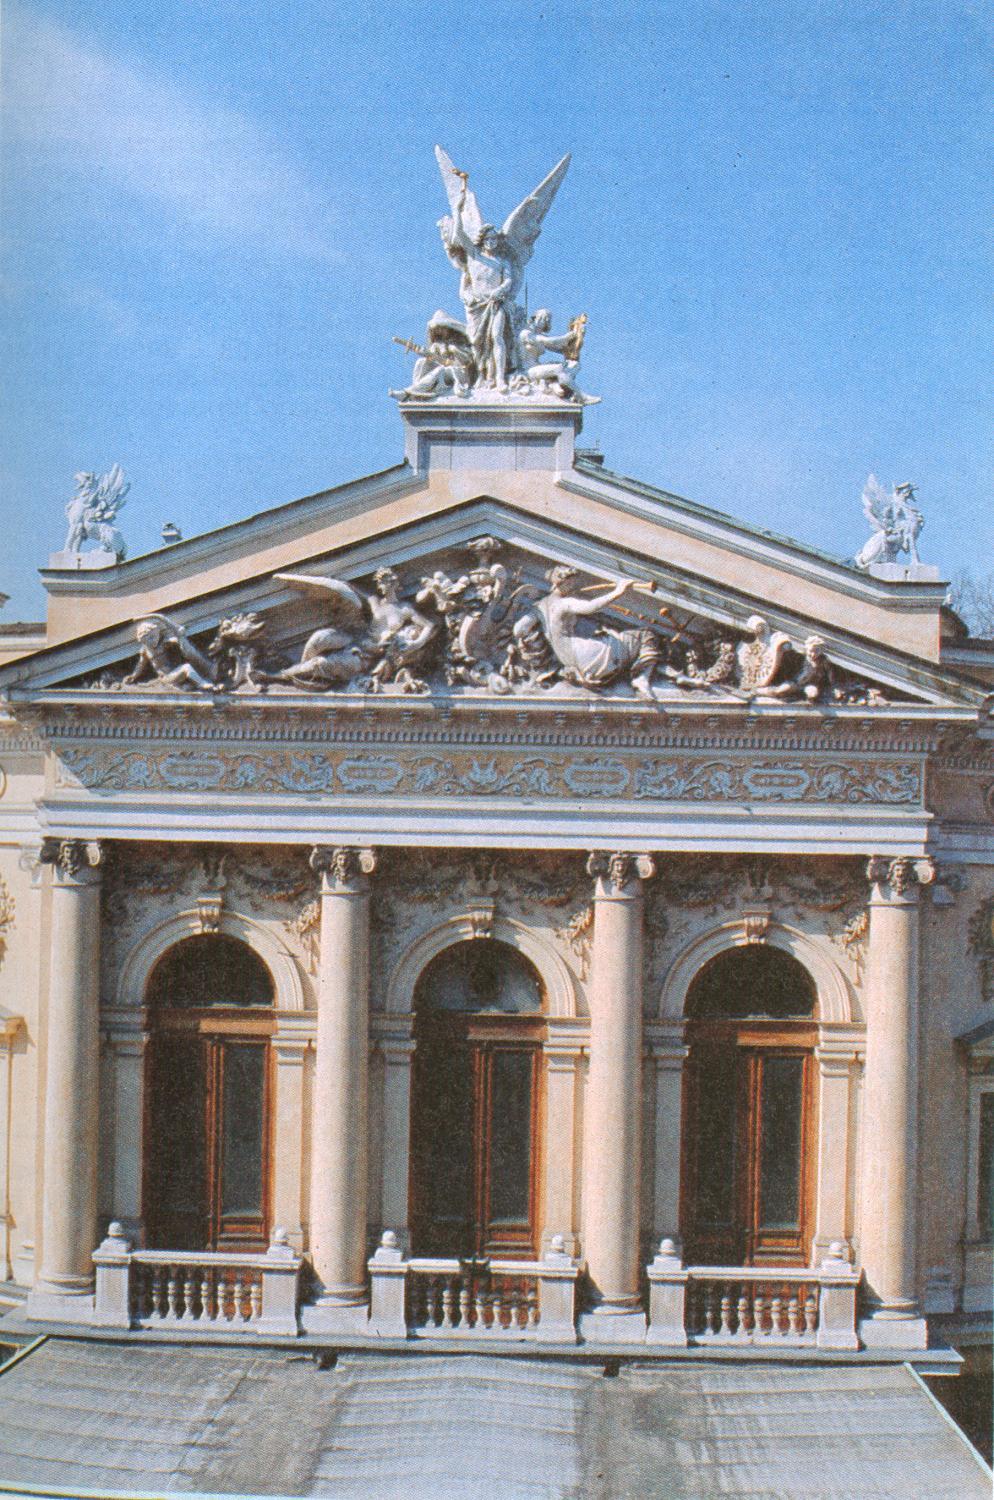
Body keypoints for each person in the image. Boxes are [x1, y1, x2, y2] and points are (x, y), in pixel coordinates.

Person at [535, 566, 660, 700]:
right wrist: (619, 591)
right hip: (589, 657)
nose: (573, 587)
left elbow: (521, 629)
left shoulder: (538, 606)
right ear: (563, 582)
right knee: (646, 635)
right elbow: (590, 607)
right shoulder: (564, 602)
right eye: (571, 583)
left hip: (570, 663)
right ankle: (641, 679)